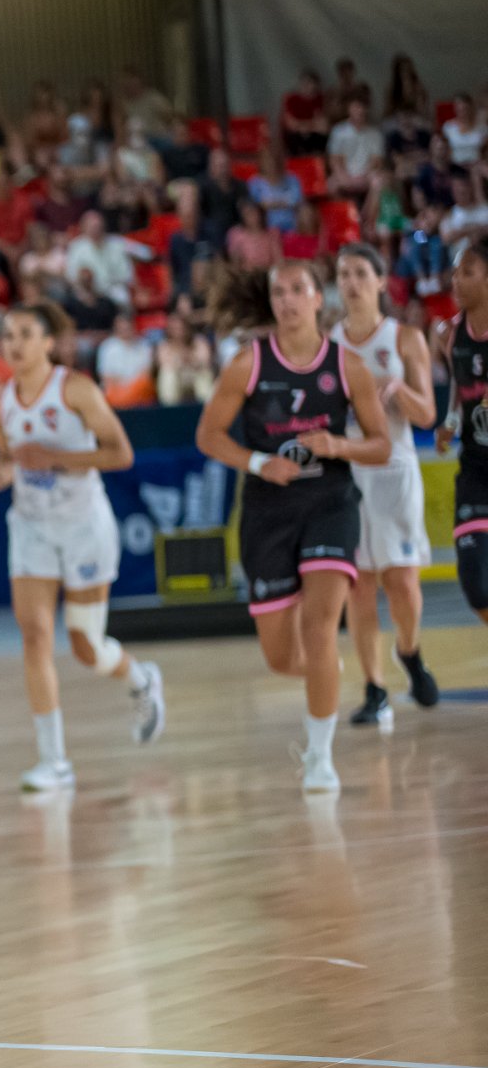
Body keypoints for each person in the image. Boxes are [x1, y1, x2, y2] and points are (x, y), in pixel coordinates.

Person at [196, 261, 392, 792]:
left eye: (297, 289)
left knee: (321, 626)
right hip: (268, 510)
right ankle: (326, 679)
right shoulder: (247, 364)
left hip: (330, 500)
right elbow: (209, 436)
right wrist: (260, 463)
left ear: (316, 298)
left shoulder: (348, 367)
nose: (287, 300)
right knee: (283, 658)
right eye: (278, 291)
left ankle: (320, 757)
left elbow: (382, 446)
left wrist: (339, 445)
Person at [0, 302, 164, 791]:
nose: (14, 344)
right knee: (34, 636)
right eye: (8, 334)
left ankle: (140, 679)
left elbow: (121, 454)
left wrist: (55, 458)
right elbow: (8, 457)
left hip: (83, 526)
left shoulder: (75, 389)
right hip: (31, 526)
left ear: (48, 342)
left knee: (86, 648)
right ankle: (54, 761)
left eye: (26, 334)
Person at [331, 244, 441, 726]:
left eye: (359, 273)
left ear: (380, 282)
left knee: (402, 582)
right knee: (359, 587)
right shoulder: (326, 343)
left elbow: (428, 414)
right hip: (348, 469)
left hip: (395, 468)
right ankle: (374, 689)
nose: (350, 282)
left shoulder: (404, 338)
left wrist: (395, 389)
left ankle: (409, 651)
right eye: (342, 274)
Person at [437, 242, 488, 626]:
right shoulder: (450, 333)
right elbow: (459, 385)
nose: (456, 280)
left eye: (467, 272)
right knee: (477, 586)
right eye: (455, 272)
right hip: (475, 470)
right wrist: (451, 422)